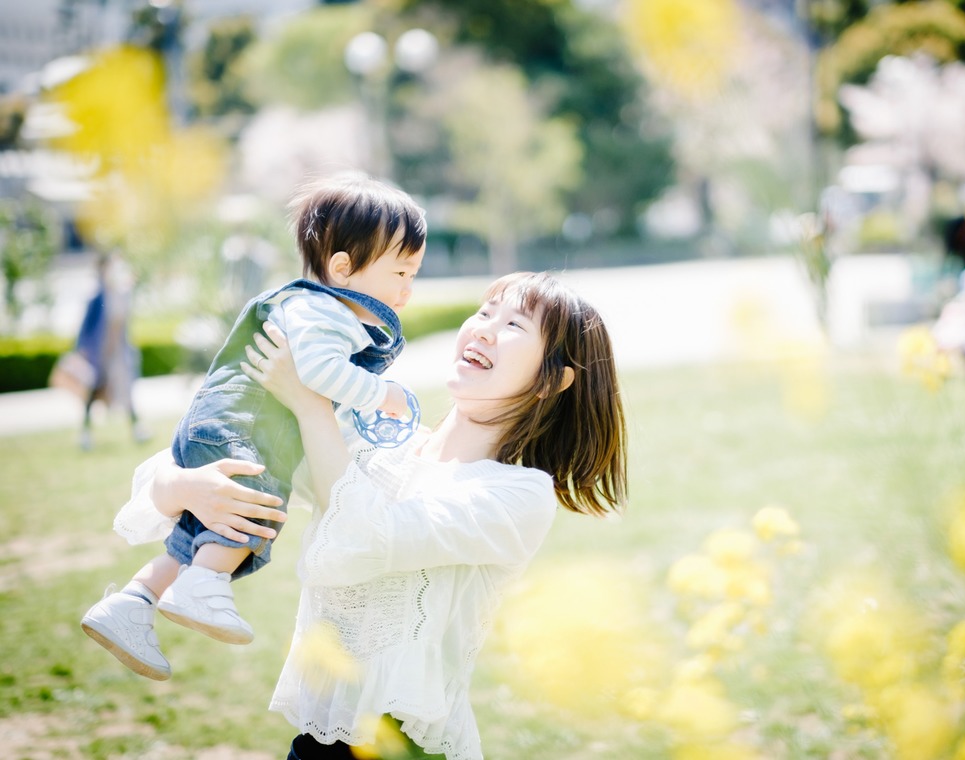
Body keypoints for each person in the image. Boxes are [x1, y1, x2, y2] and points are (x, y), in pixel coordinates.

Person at [113, 271, 628, 759]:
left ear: (552, 381)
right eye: (486, 311)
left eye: (514, 325)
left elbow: (355, 543)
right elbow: (236, 459)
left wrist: (311, 406)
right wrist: (175, 485)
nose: (485, 330)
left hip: (410, 749)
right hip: (318, 743)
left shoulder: (517, 496)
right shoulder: (377, 447)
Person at [82, 173, 427, 681]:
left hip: (216, 430)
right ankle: (205, 587)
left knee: (199, 530)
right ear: (343, 268)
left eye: (413, 276)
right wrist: (384, 393)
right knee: (255, 511)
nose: (407, 288)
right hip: (242, 431)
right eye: (400, 272)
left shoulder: (310, 308)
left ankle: (132, 604)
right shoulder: (321, 313)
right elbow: (315, 374)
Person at [75, 251, 148, 451]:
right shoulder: (97, 296)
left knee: (126, 391)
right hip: (99, 356)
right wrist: (82, 351)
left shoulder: (119, 293)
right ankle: (85, 434)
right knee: (93, 394)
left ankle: (137, 429)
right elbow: (85, 328)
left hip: (118, 355)